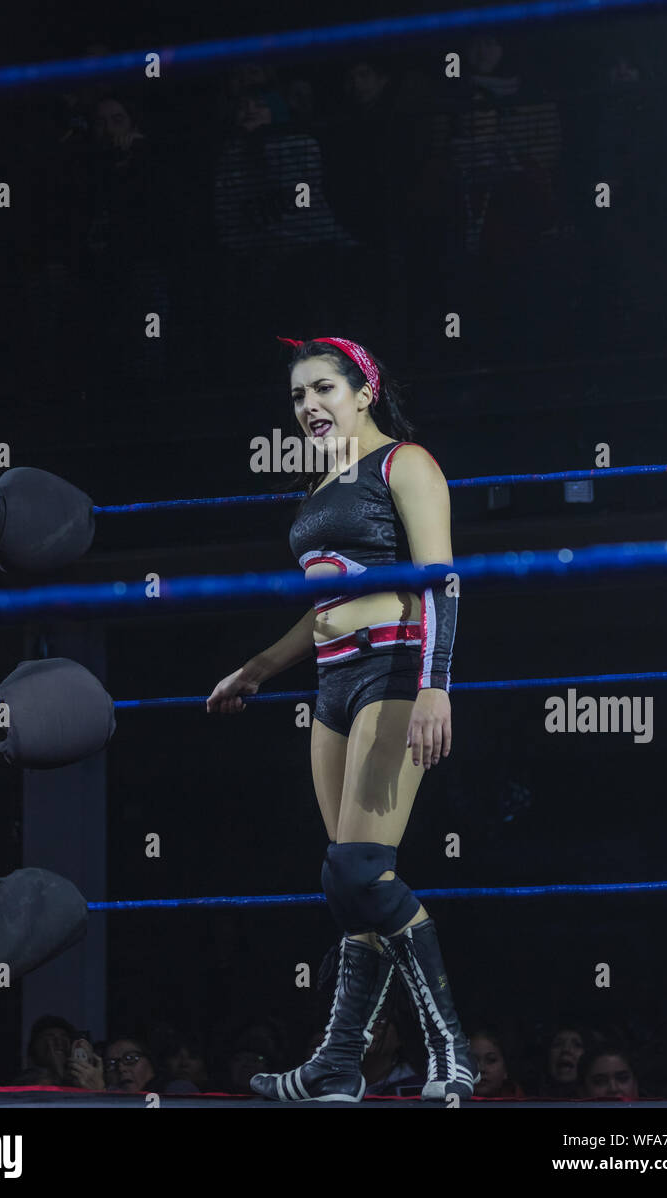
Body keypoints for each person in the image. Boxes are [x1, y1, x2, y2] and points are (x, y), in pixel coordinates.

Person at [207, 336, 476, 1103]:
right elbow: (321, 609)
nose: (308, 406)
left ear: (365, 391)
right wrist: (259, 667)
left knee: (360, 870)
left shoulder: (406, 463)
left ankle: (451, 1053)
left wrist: (436, 686)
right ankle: (336, 1065)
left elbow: (441, 581)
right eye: (297, 396)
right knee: (349, 887)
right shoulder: (320, 489)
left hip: (395, 672)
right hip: (330, 686)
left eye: (323, 388)